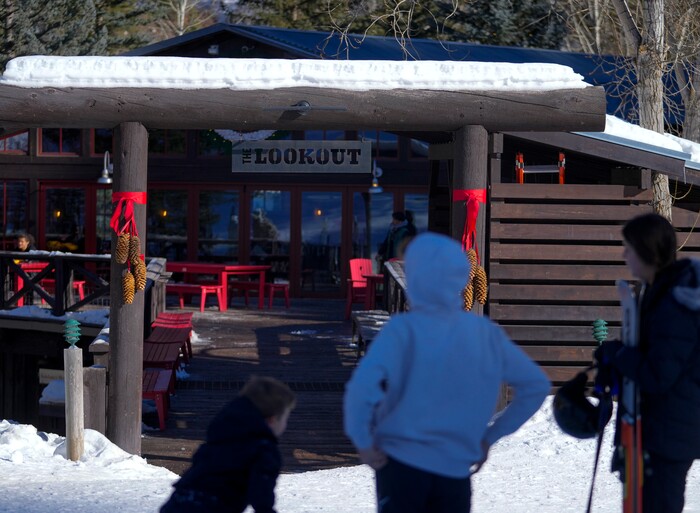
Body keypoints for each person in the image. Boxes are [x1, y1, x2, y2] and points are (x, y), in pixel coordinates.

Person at [344, 232, 550, 513]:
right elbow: (535, 386)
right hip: (454, 465)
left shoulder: (401, 331)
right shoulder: (484, 333)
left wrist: (363, 440)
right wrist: (490, 436)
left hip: (399, 464)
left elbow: (361, 390)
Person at [595, 213, 700, 513]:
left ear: (647, 251)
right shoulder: (660, 291)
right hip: (659, 428)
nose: (624, 255)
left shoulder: (675, 304)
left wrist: (619, 356)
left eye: (629, 248)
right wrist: (616, 353)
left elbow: (658, 374)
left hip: (669, 435)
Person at [160, 376, 296, 513]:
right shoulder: (263, 448)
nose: (286, 424)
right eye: (285, 418)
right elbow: (261, 494)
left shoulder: (221, 436)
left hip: (178, 503)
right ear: (271, 420)